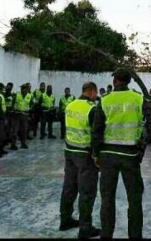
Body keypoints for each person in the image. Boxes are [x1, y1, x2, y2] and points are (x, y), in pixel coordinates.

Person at [92, 67, 151, 238]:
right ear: (129, 81)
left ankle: (106, 235)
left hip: (108, 156)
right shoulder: (138, 98)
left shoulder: (105, 100)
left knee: (107, 200)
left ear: (115, 80)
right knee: (134, 199)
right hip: (131, 156)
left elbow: (97, 129)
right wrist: (143, 142)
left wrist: (96, 153)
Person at [59, 82, 100, 239]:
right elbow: (96, 135)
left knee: (69, 187)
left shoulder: (70, 105)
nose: (96, 96)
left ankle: (65, 219)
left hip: (69, 151)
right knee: (87, 192)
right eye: (95, 93)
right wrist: (97, 155)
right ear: (91, 92)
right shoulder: (92, 109)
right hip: (85, 155)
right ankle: (85, 228)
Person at [10, 84, 33, 150]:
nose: (23, 90)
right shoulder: (16, 95)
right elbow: (12, 103)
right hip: (16, 114)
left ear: (27, 89)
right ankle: (13, 144)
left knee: (24, 130)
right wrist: (13, 110)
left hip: (25, 115)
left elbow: (32, 104)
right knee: (15, 130)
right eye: (22, 88)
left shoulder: (30, 96)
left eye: (25, 88)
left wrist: (29, 109)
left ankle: (23, 143)